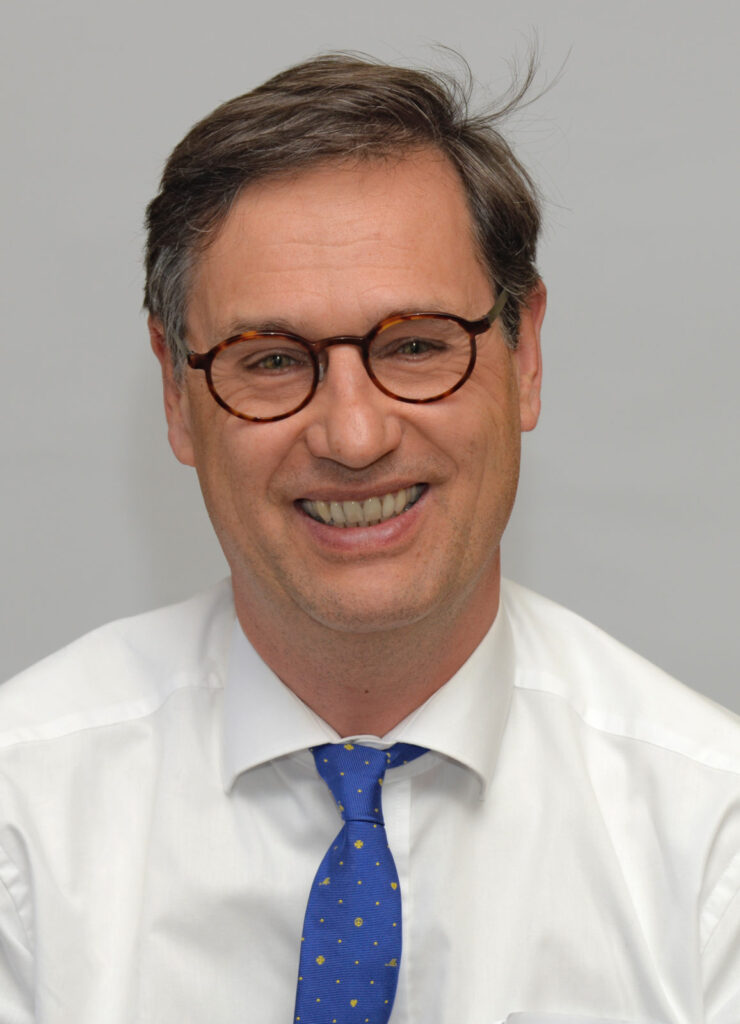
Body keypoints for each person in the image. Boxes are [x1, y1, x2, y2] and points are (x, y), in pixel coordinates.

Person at [1, 53, 738, 1024]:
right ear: (177, 394)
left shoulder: (711, 843)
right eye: (271, 359)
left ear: (525, 356)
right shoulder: (21, 822)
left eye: (416, 345)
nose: (353, 437)